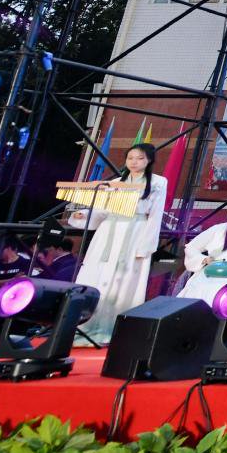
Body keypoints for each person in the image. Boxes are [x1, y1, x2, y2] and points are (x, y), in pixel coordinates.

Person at [74, 141, 167, 343]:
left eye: (140, 158)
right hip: (109, 230)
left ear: (149, 160)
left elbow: (155, 215)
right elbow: (102, 210)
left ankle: (114, 327)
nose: (134, 162)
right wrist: (84, 214)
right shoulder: (115, 183)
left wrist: (146, 246)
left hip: (134, 231)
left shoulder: (158, 182)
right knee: (96, 274)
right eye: (130, 158)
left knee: (123, 279)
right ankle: (85, 323)